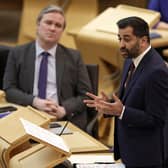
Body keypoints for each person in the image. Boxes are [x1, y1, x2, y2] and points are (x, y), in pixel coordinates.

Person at [84, 16, 168, 168]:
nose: (121, 45)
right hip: (128, 151)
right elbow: (130, 101)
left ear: (143, 40)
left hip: (146, 158)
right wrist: (108, 106)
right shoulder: (130, 60)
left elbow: (157, 119)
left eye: (127, 39)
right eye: (119, 38)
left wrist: (122, 111)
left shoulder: (156, 71)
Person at [3, 5, 91, 131]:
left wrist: (64, 109)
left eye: (58, 25)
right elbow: (9, 89)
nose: (52, 28)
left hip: (61, 120)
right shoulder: (17, 53)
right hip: (27, 117)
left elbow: (86, 96)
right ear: (38, 25)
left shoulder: (74, 57)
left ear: (62, 31)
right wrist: (35, 102)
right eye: (48, 23)